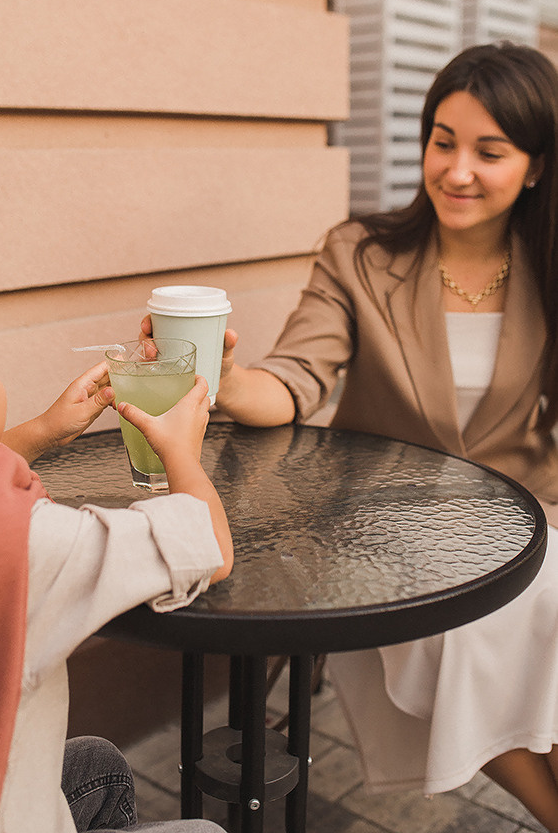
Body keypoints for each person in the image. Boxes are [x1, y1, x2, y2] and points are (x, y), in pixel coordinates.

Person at [202, 42, 558, 831]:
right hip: (382, 525)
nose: (456, 171)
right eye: (442, 141)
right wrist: (224, 380)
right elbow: (295, 375)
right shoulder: (359, 254)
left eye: (489, 152)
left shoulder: (549, 265)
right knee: (470, 636)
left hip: (524, 518)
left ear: (534, 167)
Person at [0, 238, 233, 833]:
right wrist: (181, 449)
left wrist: (43, 430)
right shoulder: (20, 546)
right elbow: (209, 546)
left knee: (95, 765)